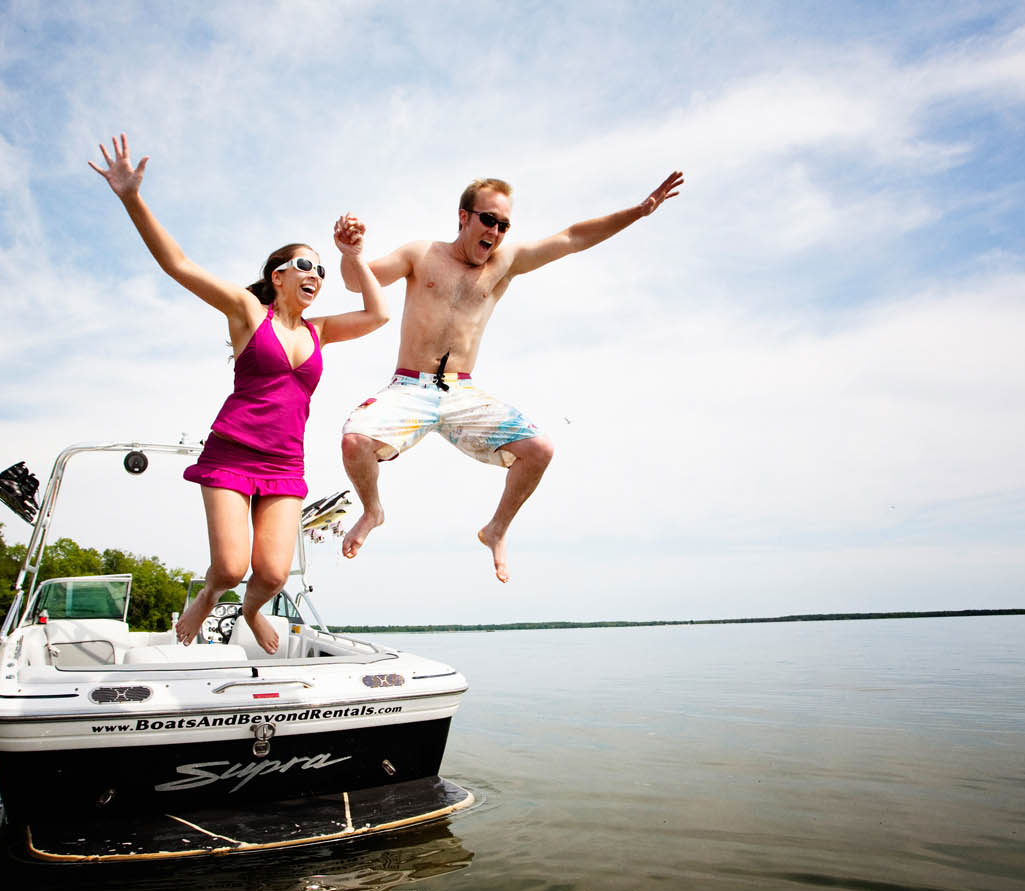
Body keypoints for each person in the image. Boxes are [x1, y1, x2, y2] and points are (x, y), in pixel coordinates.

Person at [91, 134, 388, 653]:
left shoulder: (320, 331)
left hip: (283, 463)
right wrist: (132, 197)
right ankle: (209, 595)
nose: (316, 274)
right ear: (277, 277)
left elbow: (379, 314)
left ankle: (250, 612)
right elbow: (178, 265)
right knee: (230, 567)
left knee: (272, 575)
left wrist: (353, 255)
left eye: (321, 270)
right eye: (305, 265)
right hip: (232, 452)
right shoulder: (249, 314)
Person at [338, 171, 683, 582]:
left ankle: (497, 528)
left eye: (504, 225)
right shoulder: (421, 254)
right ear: (464, 217)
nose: (496, 232)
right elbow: (352, 282)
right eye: (488, 220)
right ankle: (373, 510)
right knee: (354, 442)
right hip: (410, 386)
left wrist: (639, 212)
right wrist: (352, 253)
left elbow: (573, 237)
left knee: (539, 450)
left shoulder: (505, 262)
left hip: (461, 391)